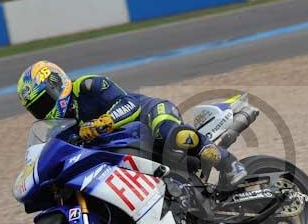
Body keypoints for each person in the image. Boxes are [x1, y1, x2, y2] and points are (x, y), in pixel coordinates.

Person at [17, 60, 247, 185]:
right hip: (128, 146)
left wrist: (102, 122)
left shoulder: (88, 86)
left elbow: (128, 104)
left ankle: (228, 163)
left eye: (45, 101)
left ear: (57, 84)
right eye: (37, 109)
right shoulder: (63, 126)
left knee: (169, 132)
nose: (44, 110)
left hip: (149, 113)